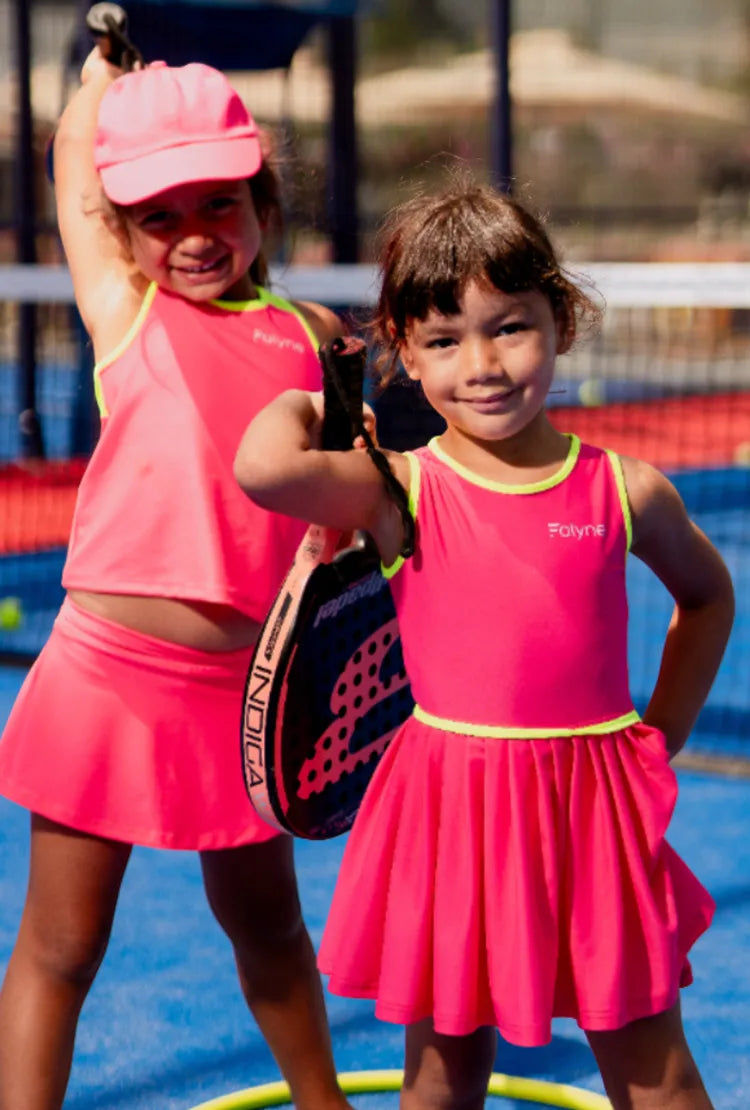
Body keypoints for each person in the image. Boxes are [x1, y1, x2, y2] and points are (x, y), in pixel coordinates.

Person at [232, 178, 735, 1110]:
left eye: (510, 327)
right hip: (452, 815)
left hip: (595, 817)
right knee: (443, 1073)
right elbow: (262, 470)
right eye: (444, 340)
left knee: (654, 1073)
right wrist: (316, 400)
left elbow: (708, 598)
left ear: (562, 322)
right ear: (404, 353)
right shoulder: (396, 489)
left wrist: (661, 734)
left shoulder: (627, 489)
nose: (484, 364)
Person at [0, 48, 351, 1110]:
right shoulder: (124, 309)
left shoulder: (316, 337)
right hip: (105, 681)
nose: (195, 234)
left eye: (220, 203)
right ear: (121, 231)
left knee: (272, 929)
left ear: (263, 204)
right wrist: (97, 83)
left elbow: (352, 500)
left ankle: (325, 1103)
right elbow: (74, 161)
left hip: (249, 699)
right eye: (159, 216)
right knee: (63, 946)